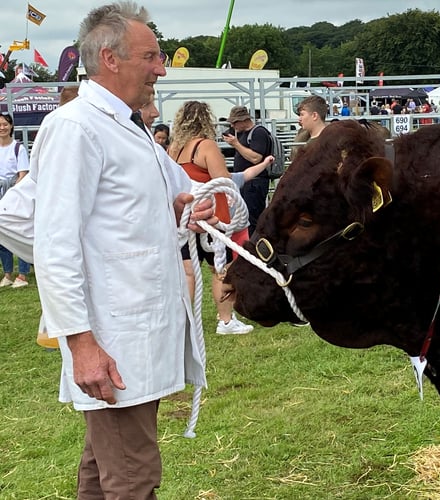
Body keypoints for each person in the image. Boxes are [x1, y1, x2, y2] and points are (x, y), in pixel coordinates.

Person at [30, 3, 217, 497]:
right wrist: (80, 343)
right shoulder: (76, 127)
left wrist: (182, 207)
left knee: (106, 464)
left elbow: (151, 208)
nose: (161, 67)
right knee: (133, 475)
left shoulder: (131, 130)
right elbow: (55, 241)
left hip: (140, 329)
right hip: (115, 338)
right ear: (110, 59)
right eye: (151, 56)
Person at [169, 100, 266, 335]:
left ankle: (184, 323)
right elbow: (222, 180)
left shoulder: (173, 149)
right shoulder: (206, 146)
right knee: (220, 269)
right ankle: (225, 320)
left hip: (183, 216)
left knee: (187, 270)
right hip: (212, 216)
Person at [222, 105, 273, 236]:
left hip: (255, 182)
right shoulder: (243, 134)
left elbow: (256, 158)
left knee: (252, 218)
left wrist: (236, 144)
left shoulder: (258, 133)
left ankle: (254, 246)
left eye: (235, 122)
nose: (233, 126)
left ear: (244, 120)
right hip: (247, 182)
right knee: (245, 217)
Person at [0, 112, 31, 288]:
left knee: (19, 232)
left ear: (11, 126)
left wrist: (12, 194)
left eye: (5, 124)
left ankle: (23, 274)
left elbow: (22, 174)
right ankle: (7, 273)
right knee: (2, 235)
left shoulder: (18, 148)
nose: (2, 128)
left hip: (14, 192)